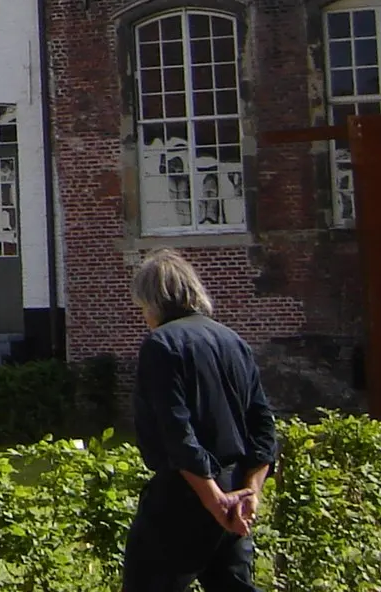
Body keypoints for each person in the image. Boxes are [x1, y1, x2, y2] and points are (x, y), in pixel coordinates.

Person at [123, 250, 278, 592]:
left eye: (142, 307)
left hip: (186, 494)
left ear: (153, 301)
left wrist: (213, 499)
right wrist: (250, 493)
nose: (144, 316)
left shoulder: (162, 345)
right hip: (235, 487)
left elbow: (177, 431)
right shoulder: (232, 341)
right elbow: (262, 424)